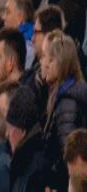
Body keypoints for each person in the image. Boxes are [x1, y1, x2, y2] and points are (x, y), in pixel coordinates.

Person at [41, 31, 87, 191]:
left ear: (63, 63)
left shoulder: (67, 101)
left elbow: (68, 153)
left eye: (51, 60)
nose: (46, 64)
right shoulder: (71, 93)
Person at [5, 85, 48, 192]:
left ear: (22, 131)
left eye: (10, 128)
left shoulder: (36, 169)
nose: (7, 134)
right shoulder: (22, 161)